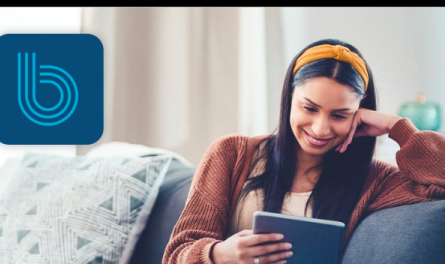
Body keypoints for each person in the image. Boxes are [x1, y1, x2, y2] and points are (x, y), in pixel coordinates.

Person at [163, 38, 445, 264]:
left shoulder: (376, 180)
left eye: (339, 115)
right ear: (289, 98)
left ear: (359, 113)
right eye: (309, 108)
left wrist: (397, 127)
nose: (320, 129)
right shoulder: (231, 154)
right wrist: (219, 254)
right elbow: (176, 253)